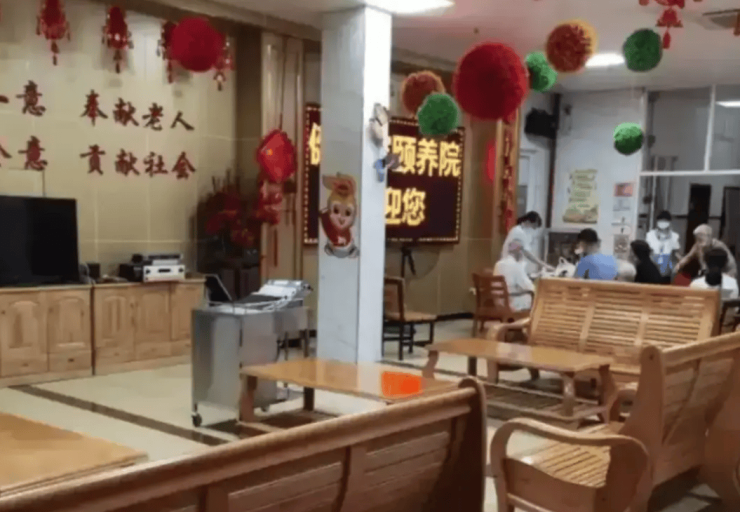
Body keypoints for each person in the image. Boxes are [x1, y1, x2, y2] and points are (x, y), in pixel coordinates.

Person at [494, 240, 536, 312]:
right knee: (533, 297)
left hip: (498, 303)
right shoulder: (516, 266)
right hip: (511, 304)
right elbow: (527, 286)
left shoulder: (498, 264)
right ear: (519, 251)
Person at [646, 211, 681, 276]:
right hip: (652, 265)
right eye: (661, 220)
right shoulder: (650, 235)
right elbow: (647, 251)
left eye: (665, 220)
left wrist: (678, 264)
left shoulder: (674, 236)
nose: (663, 222)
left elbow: (676, 253)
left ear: (669, 222)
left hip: (667, 267)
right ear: (657, 221)